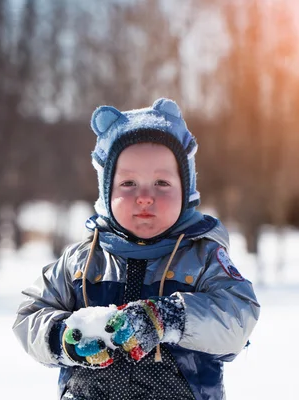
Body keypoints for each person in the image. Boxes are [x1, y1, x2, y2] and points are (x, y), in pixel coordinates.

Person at [13, 98, 260, 400]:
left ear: (186, 190)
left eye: (161, 183)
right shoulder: (83, 261)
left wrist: (168, 317)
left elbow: (239, 317)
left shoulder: (201, 257)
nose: (145, 197)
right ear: (107, 192)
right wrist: (65, 338)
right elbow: (30, 315)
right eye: (129, 183)